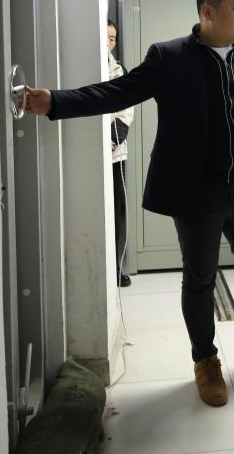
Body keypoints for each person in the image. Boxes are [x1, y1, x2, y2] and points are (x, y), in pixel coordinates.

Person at [21, 0, 234, 408]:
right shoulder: (170, 57)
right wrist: (56, 102)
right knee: (200, 277)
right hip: (197, 194)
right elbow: (117, 92)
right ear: (208, 11)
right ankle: (205, 360)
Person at [106, 19, 135, 288]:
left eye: (112, 39)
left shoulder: (118, 70)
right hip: (90, 154)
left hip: (115, 154)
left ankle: (117, 267)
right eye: (105, 37)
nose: (108, 43)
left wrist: (114, 136)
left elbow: (126, 107)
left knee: (118, 212)